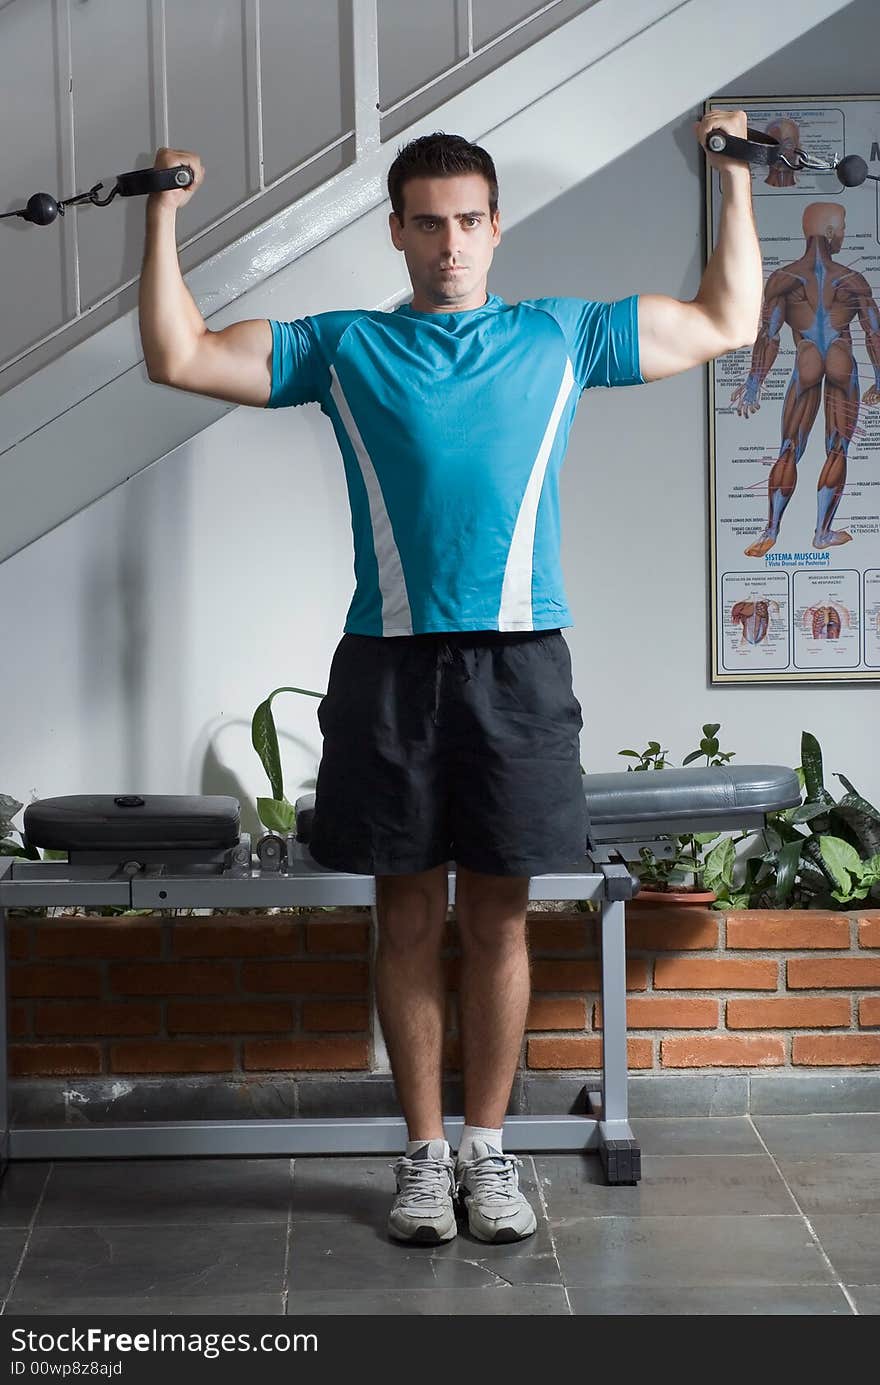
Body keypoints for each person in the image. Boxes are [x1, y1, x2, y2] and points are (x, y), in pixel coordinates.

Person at [138, 110, 762, 1246]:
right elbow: (178, 354)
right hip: (387, 663)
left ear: (495, 226)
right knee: (409, 913)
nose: (450, 245)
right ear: (395, 233)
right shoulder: (345, 347)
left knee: (502, 916)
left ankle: (489, 1150)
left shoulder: (559, 335)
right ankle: (423, 1157)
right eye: (427, 226)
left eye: (468, 222)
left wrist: (734, 180)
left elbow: (727, 318)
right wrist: (163, 210)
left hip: (522, 662)